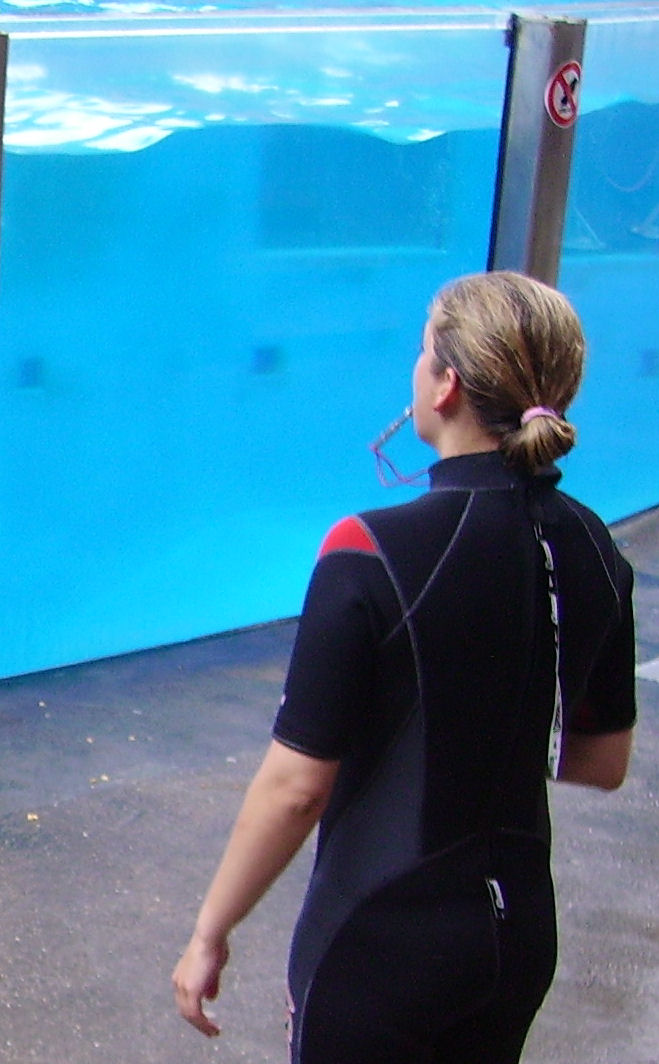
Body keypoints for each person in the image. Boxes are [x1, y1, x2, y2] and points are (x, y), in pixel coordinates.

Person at [172, 270, 637, 1063]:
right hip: (516, 936)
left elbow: (295, 787)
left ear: (445, 383)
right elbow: (600, 762)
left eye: (423, 354)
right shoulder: (595, 547)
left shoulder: (368, 548)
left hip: (381, 938)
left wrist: (208, 932)